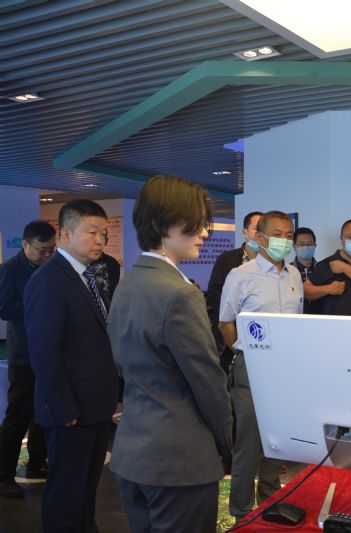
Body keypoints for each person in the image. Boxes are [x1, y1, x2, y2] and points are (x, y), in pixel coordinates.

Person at [107, 175, 233, 533]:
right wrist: (228, 447)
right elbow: (208, 383)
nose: (204, 233)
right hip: (180, 461)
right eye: (195, 224)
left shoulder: (129, 283)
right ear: (163, 225)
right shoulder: (180, 293)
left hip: (133, 452)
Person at [24, 200, 119, 532]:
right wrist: (63, 408)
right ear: (65, 234)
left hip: (93, 406)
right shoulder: (49, 280)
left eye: (103, 234)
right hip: (71, 411)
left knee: (85, 491)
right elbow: (44, 353)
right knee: (65, 494)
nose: (99, 240)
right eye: (91, 232)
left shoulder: (85, 276)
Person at [218, 210, 303, 522]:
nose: (284, 240)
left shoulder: (294, 275)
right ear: (260, 237)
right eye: (277, 234)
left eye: (288, 235)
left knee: (277, 440)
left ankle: (270, 501)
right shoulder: (241, 275)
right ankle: (241, 510)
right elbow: (226, 323)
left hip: (286, 366)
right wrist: (245, 353)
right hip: (251, 367)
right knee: (249, 441)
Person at [0, 220, 55, 498]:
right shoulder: (10, 269)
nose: (46, 255)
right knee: (18, 416)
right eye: (41, 250)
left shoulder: (51, 267)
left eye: (51, 249)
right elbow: (5, 308)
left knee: (43, 411)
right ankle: (3, 475)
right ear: (25, 245)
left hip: (49, 351)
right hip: (24, 354)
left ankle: (37, 461)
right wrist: (38, 304)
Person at [207, 211, 262, 371]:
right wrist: (236, 308)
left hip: (259, 333)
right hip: (228, 333)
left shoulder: (272, 262)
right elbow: (213, 292)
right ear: (245, 232)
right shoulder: (227, 259)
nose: (260, 234)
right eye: (256, 229)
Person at [291, 227, 323, 314]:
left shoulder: (324, 269)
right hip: (295, 317)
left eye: (309, 244)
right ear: (294, 246)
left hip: (320, 317)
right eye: (301, 244)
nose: (306, 247)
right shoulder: (287, 270)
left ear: (315, 246)